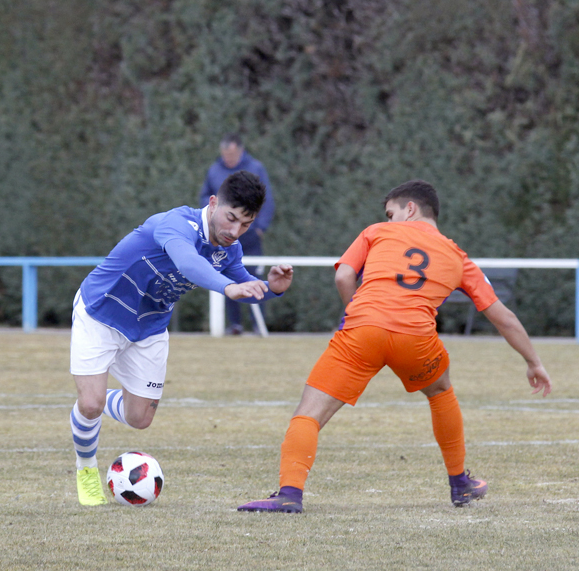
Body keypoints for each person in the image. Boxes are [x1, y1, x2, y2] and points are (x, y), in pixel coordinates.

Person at [237, 180, 552, 514]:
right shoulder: (458, 257)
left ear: (410, 209)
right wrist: (534, 362)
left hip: (362, 331)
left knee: (308, 413)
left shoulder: (376, 232)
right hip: (415, 339)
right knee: (441, 390)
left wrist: (351, 312)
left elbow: (344, 276)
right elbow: (502, 316)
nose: (388, 220)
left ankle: (289, 493)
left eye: (391, 214)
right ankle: (460, 483)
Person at [71, 170, 294, 506]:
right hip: (101, 311)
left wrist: (271, 290)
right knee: (90, 404)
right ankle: (86, 467)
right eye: (230, 218)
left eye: (245, 225)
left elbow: (244, 287)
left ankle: (99, 401)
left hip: (150, 327)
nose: (234, 231)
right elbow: (190, 264)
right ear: (214, 203)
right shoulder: (175, 223)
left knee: (140, 419)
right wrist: (228, 287)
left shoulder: (228, 251)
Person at [199, 132, 275, 335]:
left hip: (250, 237)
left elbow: (267, 201)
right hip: (222, 236)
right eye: (225, 155)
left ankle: (259, 325)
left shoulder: (255, 168)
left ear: (240, 152)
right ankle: (235, 325)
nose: (228, 159)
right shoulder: (214, 170)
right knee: (227, 275)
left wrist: (260, 228)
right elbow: (205, 195)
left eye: (232, 155)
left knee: (253, 276)